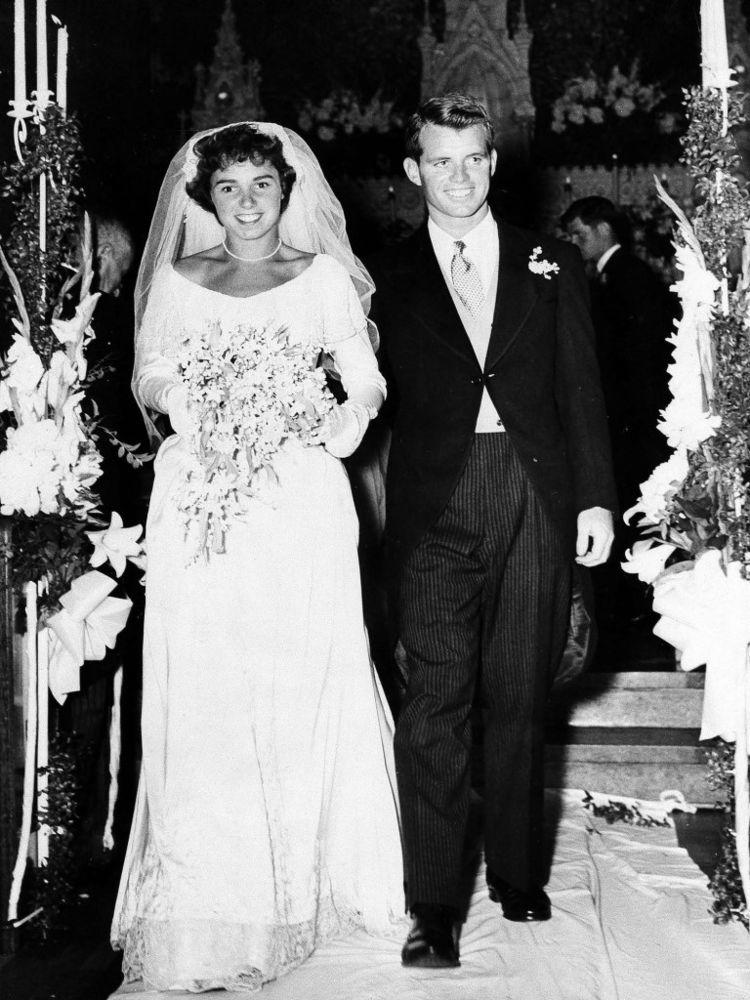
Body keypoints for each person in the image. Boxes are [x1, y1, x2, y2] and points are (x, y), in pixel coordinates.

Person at [110, 122, 404, 992]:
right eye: (229, 187)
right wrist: (191, 409)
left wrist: (337, 423)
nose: (246, 203)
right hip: (203, 501)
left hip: (298, 503)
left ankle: (312, 886)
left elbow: (366, 381)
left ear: (288, 192)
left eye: (261, 187)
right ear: (206, 197)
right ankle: (214, 906)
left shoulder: (317, 278)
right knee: (206, 687)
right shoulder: (178, 277)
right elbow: (152, 371)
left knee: (300, 677)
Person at [368, 94, 617, 969]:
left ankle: (516, 874)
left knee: (519, 692)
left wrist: (594, 499)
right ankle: (432, 904)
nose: (459, 174)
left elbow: (582, 389)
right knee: (434, 701)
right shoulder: (383, 274)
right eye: (440, 160)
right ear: (413, 170)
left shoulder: (551, 260)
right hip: (434, 502)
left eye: (473, 157)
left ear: (493, 161)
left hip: (534, 491)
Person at [561, 196, 674, 632]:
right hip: (630, 418)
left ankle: (634, 607)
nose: (575, 243)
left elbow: (635, 359)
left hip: (634, 420)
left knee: (632, 506)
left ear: (604, 229)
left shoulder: (626, 276)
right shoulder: (616, 274)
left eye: (579, 233)